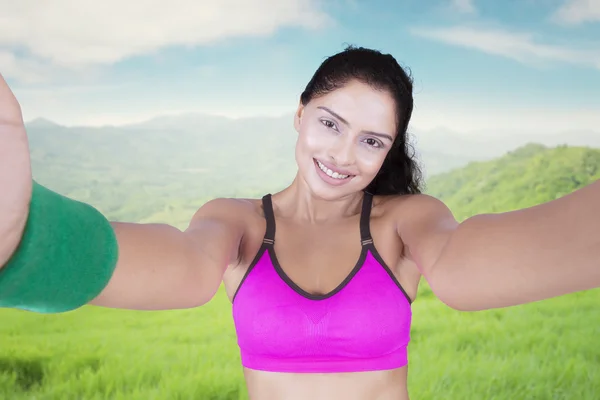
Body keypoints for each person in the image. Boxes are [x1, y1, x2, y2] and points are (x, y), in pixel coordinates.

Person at [1, 45, 598, 400]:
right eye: (330, 123)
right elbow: (180, 270)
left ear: (390, 151)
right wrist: (23, 239)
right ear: (299, 113)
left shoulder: (405, 222)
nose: (342, 156)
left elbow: (466, 269)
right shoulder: (235, 221)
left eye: (371, 141)